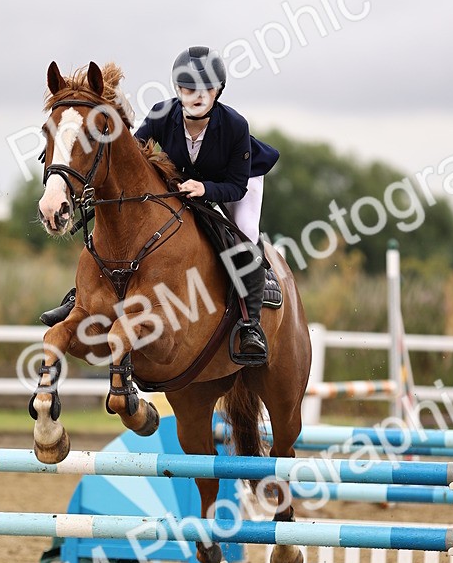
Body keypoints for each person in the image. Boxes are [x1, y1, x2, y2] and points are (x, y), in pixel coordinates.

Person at [40, 45, 279, 364]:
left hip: (235, 182)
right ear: (178, 89)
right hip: (182, 181)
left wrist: (205, 188)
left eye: (205, 90)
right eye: (188, 89)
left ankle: (250, 325)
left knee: (245, 236)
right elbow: (133, 157)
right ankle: (80, 300)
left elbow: (236, 186)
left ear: (218, 91)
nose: (196, 96)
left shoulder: (235, 126)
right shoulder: (161, 114)